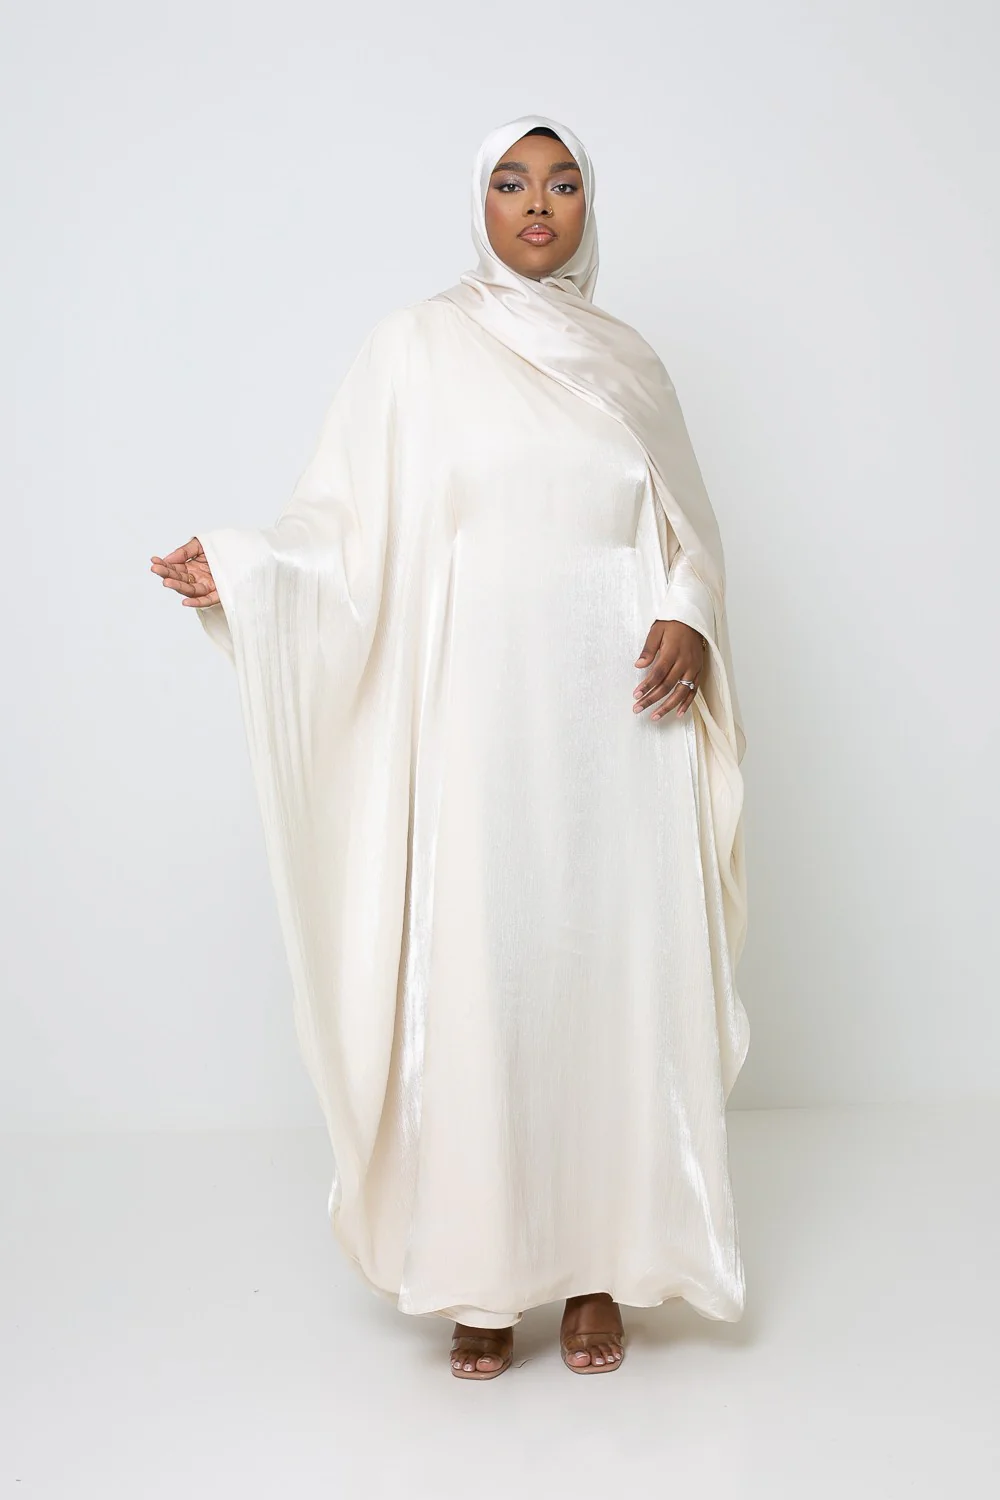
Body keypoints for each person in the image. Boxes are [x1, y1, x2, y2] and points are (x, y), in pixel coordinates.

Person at [150, 114, 750, 1380]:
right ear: (477, 202)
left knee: (607, 972)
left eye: (563, 182)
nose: (538, 202)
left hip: (619, 721)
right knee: (487, 968)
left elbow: (688, 533)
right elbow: (340, 531)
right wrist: (246, 572)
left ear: (589, 207)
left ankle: (598, 1267)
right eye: (511, 181)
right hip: (480, 713)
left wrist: (690, 618)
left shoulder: (629, 363)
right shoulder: (415, 349)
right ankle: (483, 1266)